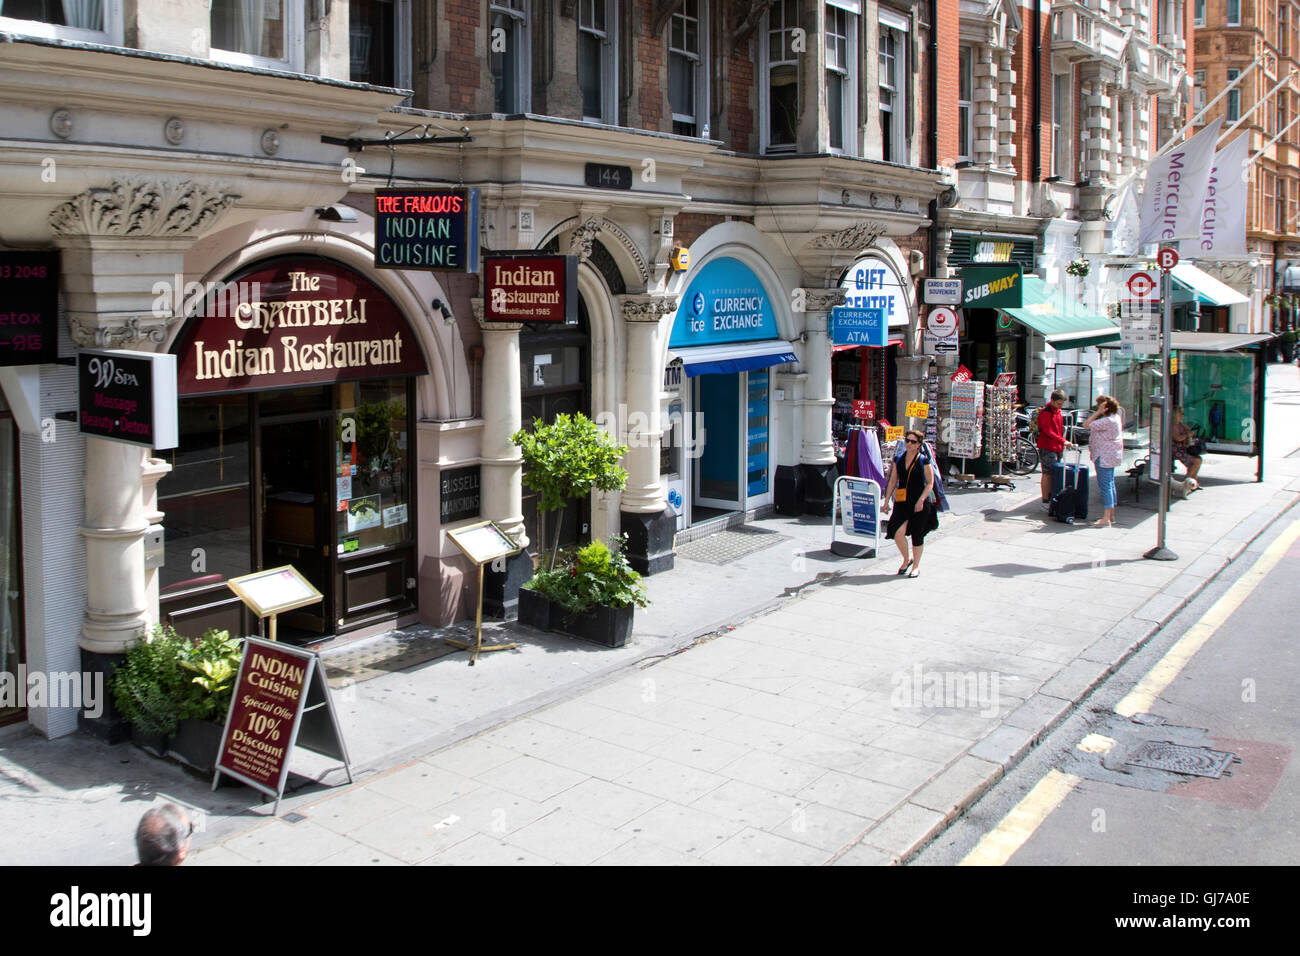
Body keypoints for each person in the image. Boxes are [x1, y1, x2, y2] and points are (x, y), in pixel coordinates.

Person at [882, 430, 938, 578]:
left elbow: (930, 483)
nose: (909, 444)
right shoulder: (899, 458)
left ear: (919, 444)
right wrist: (886, 500)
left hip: (919, 501)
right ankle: (907, 559)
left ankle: (916, 566)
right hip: (902, 500)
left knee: (917, 534)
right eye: (907, 440)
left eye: (913, 442)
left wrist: (921, 500)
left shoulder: (923, 460)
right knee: (897, 532)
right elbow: (893, 480)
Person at [1082, 395, 1124, 527]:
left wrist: (1098, 413)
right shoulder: (1116, 418)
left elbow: (1086, 424)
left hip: (1103, 455)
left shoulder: (1107, 421)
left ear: (1104, 407)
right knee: (1110, 484)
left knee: (1105, 485)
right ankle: (1111, 515)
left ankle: (1106, 518)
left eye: (1099, 406)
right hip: (1111, 455)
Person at [1036, 388, 1076, 511]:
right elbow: (1048, 431)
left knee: (1054, 472)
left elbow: (1058, 429)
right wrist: (1063, 441)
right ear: (1052, 400)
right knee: (1047, 473)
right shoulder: (1046, 413)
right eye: (1059, 403)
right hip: (1048, 446)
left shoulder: (1057, 411)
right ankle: (1045, 500)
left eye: (1062, 403)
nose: (1060, 406)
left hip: (1056, 446)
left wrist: (1062, 442)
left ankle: (1052, 497)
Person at [1170, 406, 1204, 488]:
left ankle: (1192, 479)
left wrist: (1187, 434)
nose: (1182, 415)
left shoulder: (1180, 424)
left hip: (1184, 448)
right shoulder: (1173, 425)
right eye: (1181, 414)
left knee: (1198, 460)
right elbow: (1178, 438)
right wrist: (1186, 435)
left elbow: (1190, 432)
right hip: (1176, 450)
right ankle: (1188, 481)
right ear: (1176, 415)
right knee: (1196, 461)